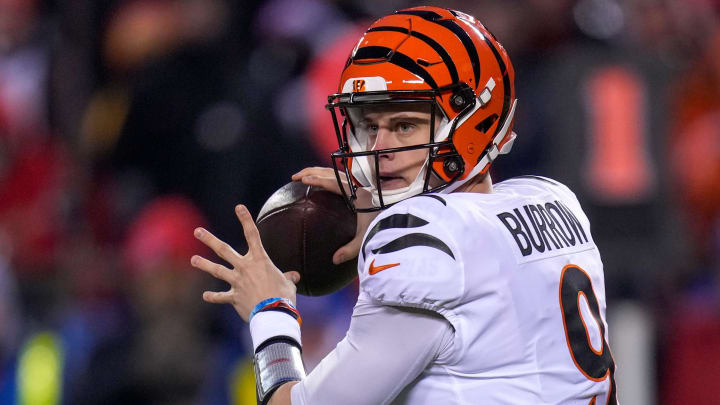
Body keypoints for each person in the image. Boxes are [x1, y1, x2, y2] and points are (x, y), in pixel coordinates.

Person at [191, 6, 618, 404]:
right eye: (367, 126)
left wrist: (270, 313)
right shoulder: (553, 200)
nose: (380, 149)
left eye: (404, 124)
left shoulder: (421, 241)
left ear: (474, 121)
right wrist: (380, 216)